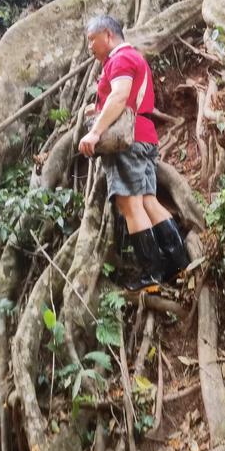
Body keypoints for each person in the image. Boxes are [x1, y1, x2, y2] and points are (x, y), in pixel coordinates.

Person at [79, 15, 189, 290]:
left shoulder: (121, 59)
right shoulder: (131, 58)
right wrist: (97, 109)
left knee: (131, 205)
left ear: (107, 34)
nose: (89, 47)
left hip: (127, 143)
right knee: (148, 201)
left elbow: (119, 97)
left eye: (92, 40)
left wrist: (95, 132)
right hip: (144, 138)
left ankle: (151, 275)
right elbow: (123, 99)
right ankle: (178, 265)